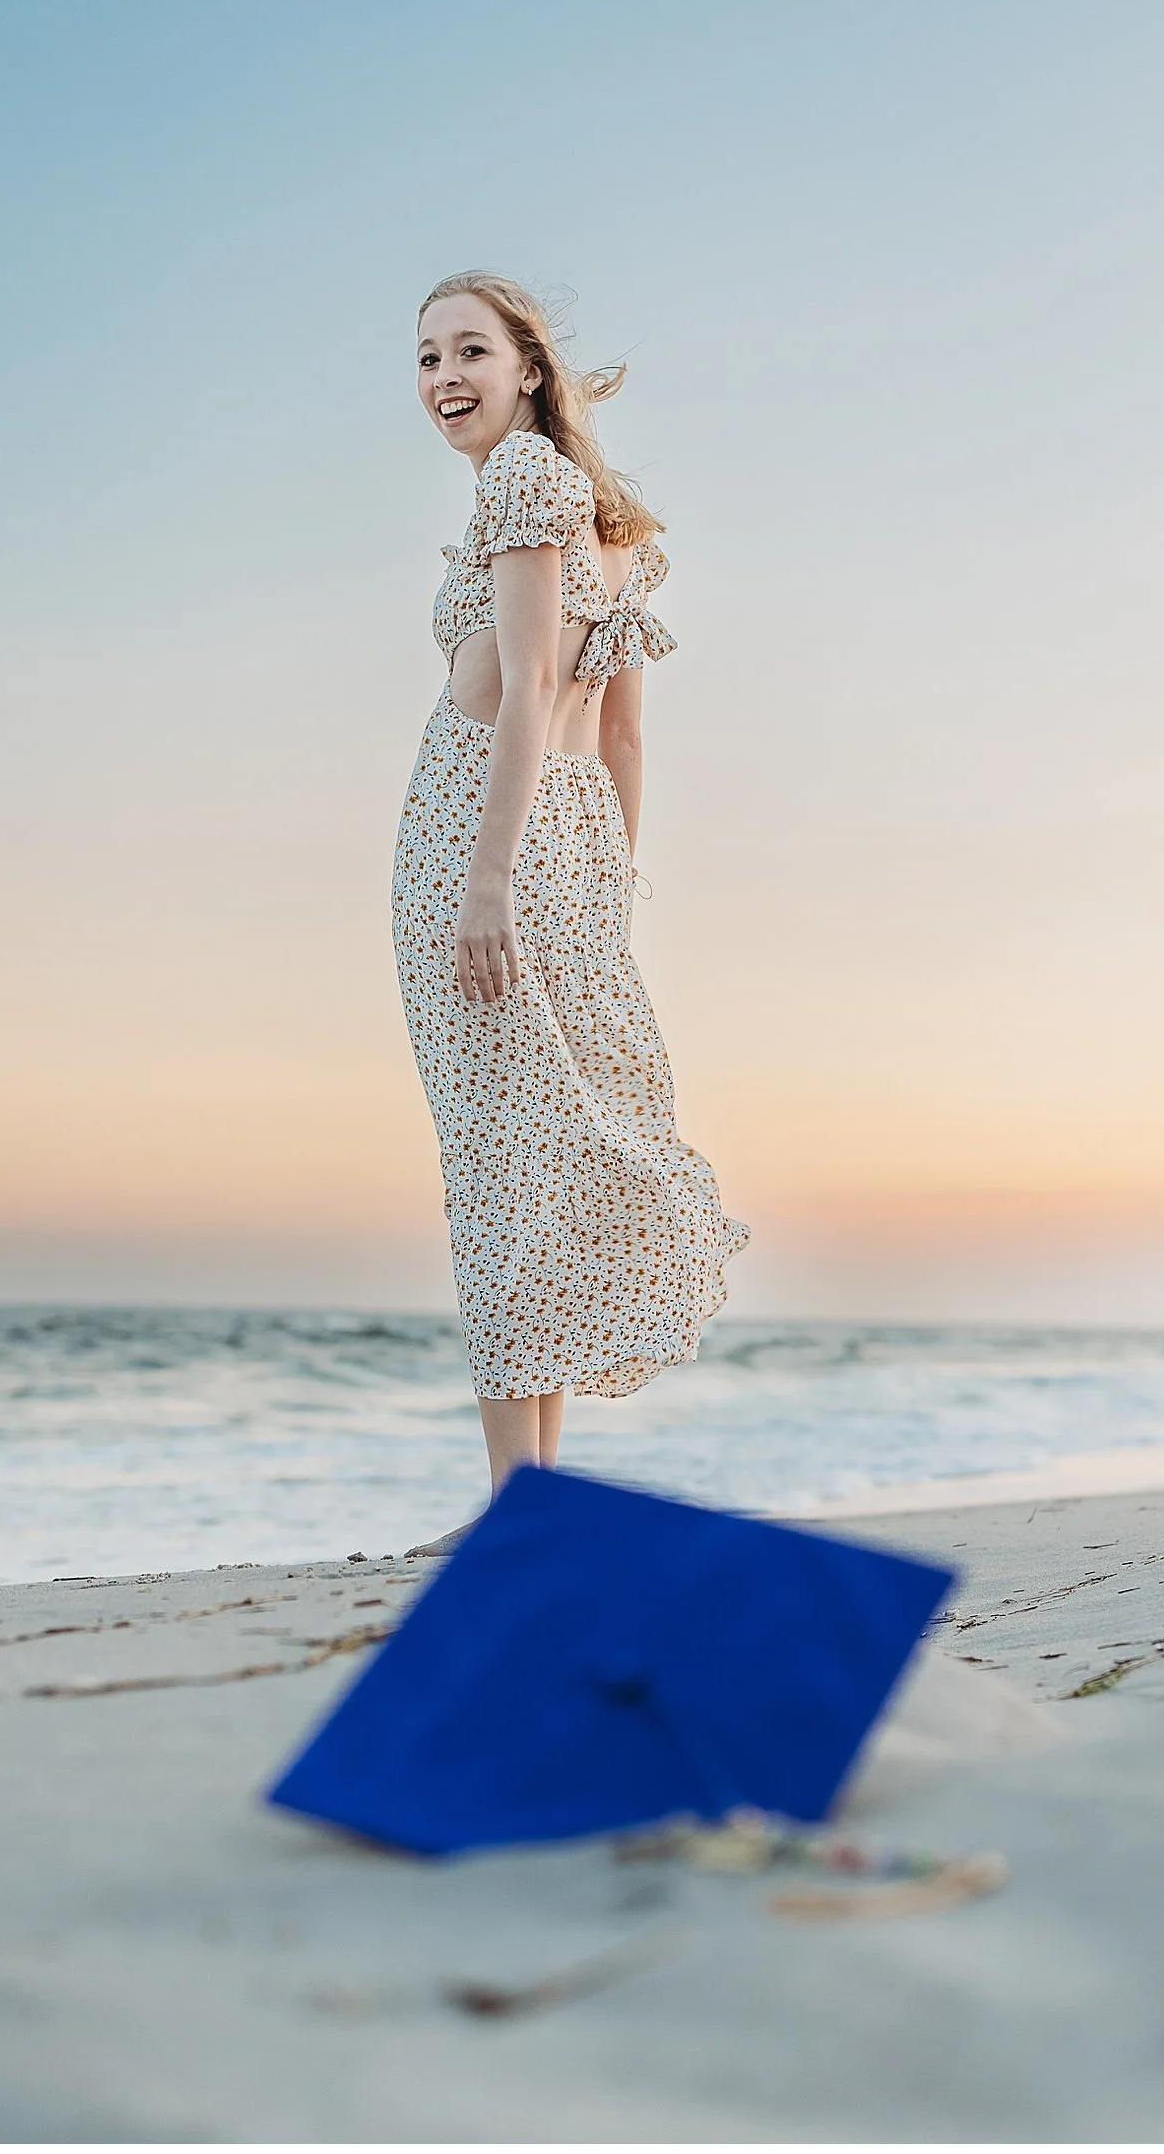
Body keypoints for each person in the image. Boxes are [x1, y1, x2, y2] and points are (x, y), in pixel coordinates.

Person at [394, 271, 747, 1502]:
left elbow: (531, 693)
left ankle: (513, 1515)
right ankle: (533, 1495)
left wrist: (492, 880)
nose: (445, 378)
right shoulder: (616, 528)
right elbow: (626, 742)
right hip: (578, 839)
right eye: (427, 358)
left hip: (484, 834)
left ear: (530, 368)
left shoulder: (522, 483)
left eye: (470, 352)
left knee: (498, 1163)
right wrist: (599, 893)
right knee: (537, 1160)